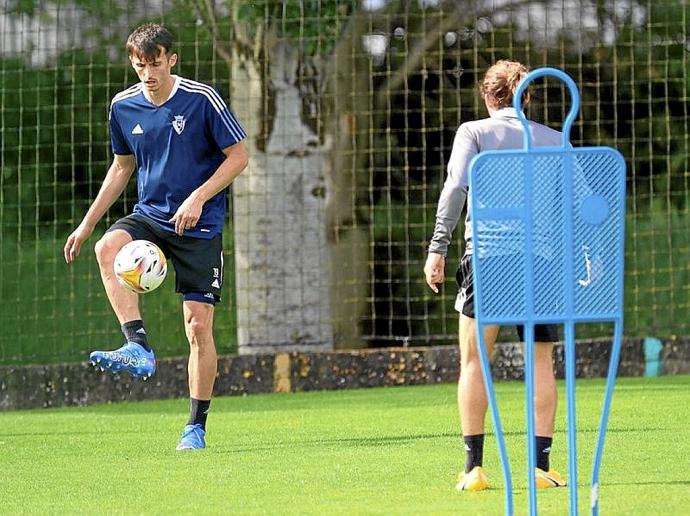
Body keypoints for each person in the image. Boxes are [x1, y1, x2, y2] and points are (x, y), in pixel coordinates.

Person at [63, 23, 248, 451]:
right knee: (106, 247)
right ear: (133, 62)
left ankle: (195, 426)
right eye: (140, 65)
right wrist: (88, 222)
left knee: (198, 327)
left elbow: (239, 156)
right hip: (152, 215)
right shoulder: (123, 106)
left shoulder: (202, 100)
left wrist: (199, 198)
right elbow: (122, 166)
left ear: (172, 60)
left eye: (156, 64)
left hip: (199, 225)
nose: (148, 73)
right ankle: (138, 346)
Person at [424, 60, 567, 491]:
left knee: (475, 361)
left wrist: (437, 248)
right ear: (528, 97)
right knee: (541, 363)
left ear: (488, 97)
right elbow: (582, 203)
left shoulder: (474, 132)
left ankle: (474, 470)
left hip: (487, 259)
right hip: (540, 263)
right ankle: (541, 470)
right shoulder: (556, 139)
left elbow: (455, 187)